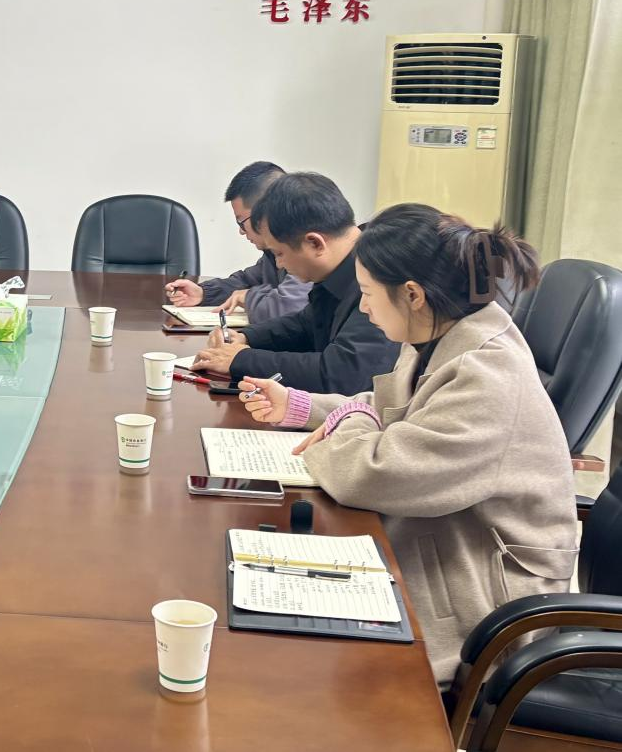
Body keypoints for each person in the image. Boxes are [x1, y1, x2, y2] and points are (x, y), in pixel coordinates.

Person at [238, 203, 578, 687]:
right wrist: (300, 406)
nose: (364, 308)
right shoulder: (442, 331)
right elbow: (388, 408)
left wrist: (345, 424)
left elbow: (373, 473)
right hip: (443, 544)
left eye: (367, 293)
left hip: (489, 600)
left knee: (304, 669)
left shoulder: (487, 374)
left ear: (412, 294)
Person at [192, 172, 399, 394]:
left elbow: (342, 375)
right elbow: (307, 325)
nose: (279, 264)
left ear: (315, 243)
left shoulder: (381, 275)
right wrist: (247, 337)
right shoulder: (340, 268)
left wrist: (241, 359)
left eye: (279, 253)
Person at [164, 161, 311, 323]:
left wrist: (248, 297)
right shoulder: (273, 252)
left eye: (241, 222)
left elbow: (287, 306)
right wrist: (203, 293)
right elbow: (247, 281)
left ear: (266, 212)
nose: (241, 231)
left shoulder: (305, 246)